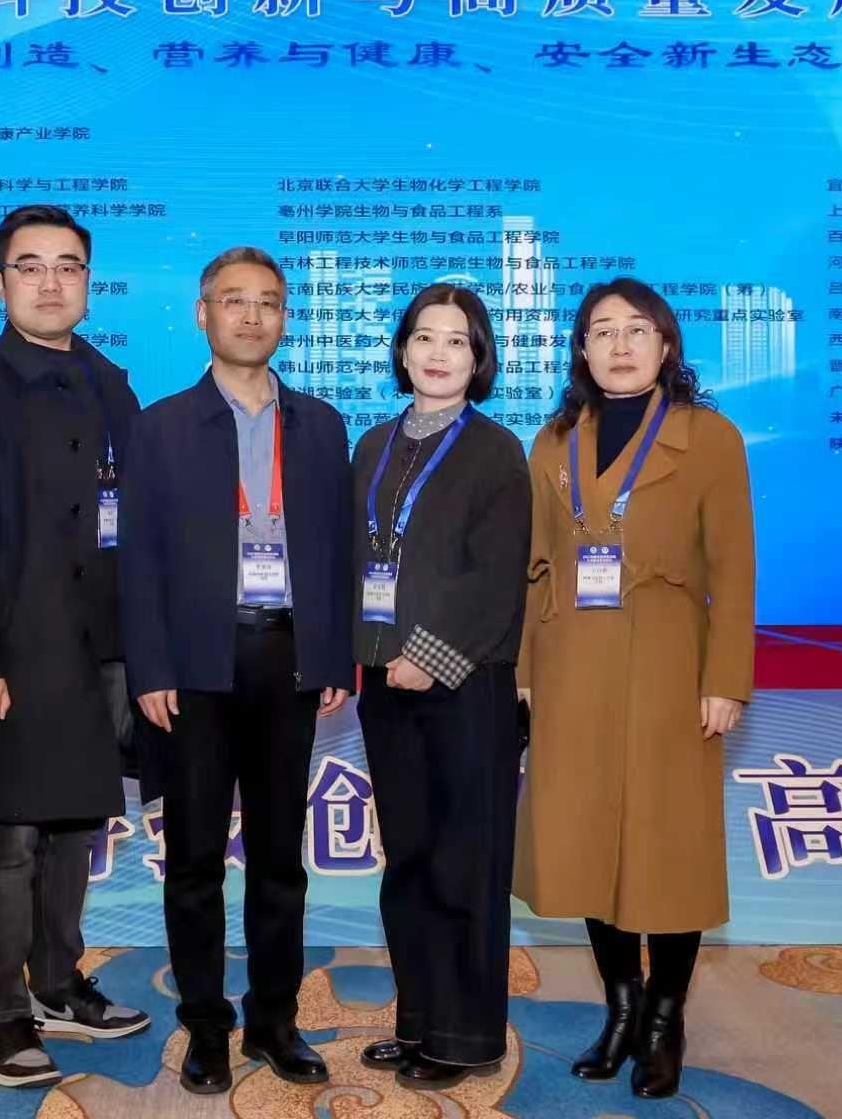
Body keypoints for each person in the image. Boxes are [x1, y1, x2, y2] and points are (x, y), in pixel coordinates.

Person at [0, 204, 152, 1089]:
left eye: (68, 266)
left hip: (100, 651)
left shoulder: (111, 384)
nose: (51, 283)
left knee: (77, 828)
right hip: (13, 654)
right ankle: (3, 1012)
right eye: (30, 266)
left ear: (89, 282)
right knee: (8, 841)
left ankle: (57, 984)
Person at [511, 276, 755, 1099]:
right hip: (569, 661)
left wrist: (725, 680)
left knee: (668, 844)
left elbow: (733, 568)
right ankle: (620, 1008)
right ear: (581, 350)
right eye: (603, 331)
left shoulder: (707, 437)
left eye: (637, 329)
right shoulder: (553, 440)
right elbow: (533, 567)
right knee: (586, 840)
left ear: (666, 344)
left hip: (667, 663)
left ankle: (663, 1021)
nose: (620, 345)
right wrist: (525, 672)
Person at [118, 246, 354, 1096]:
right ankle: (207, 1026)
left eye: (268, 302)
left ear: (285, 317)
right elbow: (138, 559)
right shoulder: (162, 426)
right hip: (194, 667)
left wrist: (333, 654)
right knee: (194, 862)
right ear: (203, 314)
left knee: (281, 858)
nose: (252, 316)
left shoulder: (321, 425)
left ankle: (274, 1020)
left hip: (288, 659)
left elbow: (338, 551)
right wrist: (151, 667)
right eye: (234, 300)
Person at [349, 284, 532, 1090]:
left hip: (465, 687)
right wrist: (355, 658)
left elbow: (497, 579)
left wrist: (429, 654)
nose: (438, 353)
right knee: (409, 862)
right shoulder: (372, 445)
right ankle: (420, 1021)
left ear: (478, 357)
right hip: (385, 684)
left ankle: (466, 1038)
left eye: (457, 341)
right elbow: (357, 561)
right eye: (425, 336)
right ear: (402, 349)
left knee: (465, 863)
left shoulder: (496, 450)